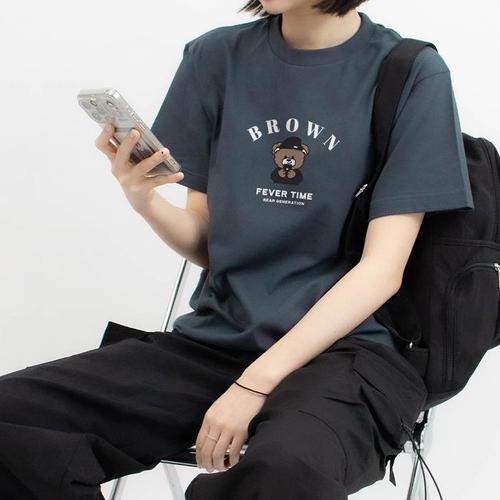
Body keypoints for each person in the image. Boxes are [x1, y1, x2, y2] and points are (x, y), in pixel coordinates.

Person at [0, 0, 474, 499]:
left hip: (347, 355)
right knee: (12, 422)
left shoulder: (411, 71)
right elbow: (209, 241)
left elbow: (382, 270)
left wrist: (254, 384)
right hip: (216, 343)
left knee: (283, 472)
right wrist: (143, 199)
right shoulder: (216, 58)